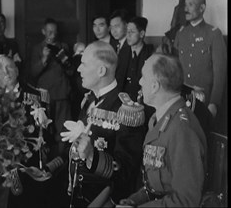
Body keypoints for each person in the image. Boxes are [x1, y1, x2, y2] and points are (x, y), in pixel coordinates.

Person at [60, 41, 146, 207]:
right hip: (77, 195)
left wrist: (92, 156)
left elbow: (127, 170)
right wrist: (49, 168)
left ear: (101, 70)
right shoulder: (89, 100)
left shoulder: (125, 109)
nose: (78, 69)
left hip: (105, 200)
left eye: (84, 64)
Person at [118, 53, 207, 207]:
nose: (139, 81)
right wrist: (134, 201)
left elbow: (186, 200)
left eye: (143, 77)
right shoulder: (159, 119)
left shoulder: (181, 129)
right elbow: (156, 186)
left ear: (154, 86)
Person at [174, 0, 227, 118]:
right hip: (181, 98)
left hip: (204, 99)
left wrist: (214, 102)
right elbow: (175, 67)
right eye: (185, 5)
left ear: (202, 8)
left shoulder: (214, 34)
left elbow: (220, 73)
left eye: (190, 5)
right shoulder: (181, 34)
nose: (185, 9)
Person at [29, 17, 72, 155]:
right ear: (43, 31)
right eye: (49, 32)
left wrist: (63, 59)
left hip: (61, 94)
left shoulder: (63, 47)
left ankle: (62, 161)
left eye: (54, 32)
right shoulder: (37, 49)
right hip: (44, 96)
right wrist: (43, 59)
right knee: (44, 130)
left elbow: (71, 71)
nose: (52, 35)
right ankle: (46, 162)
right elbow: (32, 73)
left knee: (63, 130)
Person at [125, 16, 154, 102]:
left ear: (141, 34)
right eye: (127, 31)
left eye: (132, 32)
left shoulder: (150, 54)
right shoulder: (123, 53)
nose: (128, 35)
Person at [109, 9, 132, 91]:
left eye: (117, 26)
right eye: (111, 27)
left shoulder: (131, 45)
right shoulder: (113, 45)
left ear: (126, 25)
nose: (113, 31)